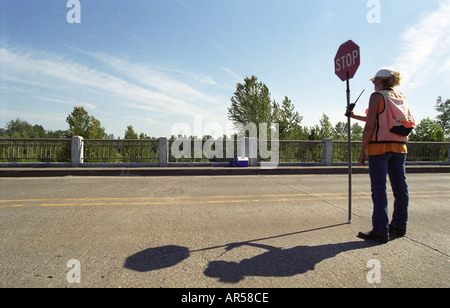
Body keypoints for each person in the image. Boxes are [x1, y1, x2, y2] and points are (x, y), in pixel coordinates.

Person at [348, 69, 415, 243]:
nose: (373, 84)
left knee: (379, 189)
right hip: (399, 147)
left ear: (379, 81)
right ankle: (399, 225)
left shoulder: (376, 96)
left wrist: (362, 151)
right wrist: (354, 115)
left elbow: (370, 126)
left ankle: (380, 230)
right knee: (401, 188)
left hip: (379, 148)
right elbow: (379, 118)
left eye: (374, 81)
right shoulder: (400, 97)